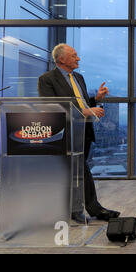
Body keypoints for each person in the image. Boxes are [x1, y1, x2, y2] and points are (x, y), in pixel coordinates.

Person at [38, 43, 120, 223]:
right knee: (81, 171)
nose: (78, 58)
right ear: (61, 59)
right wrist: (85, 112)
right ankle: (93, 209)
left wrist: (95, 99)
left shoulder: (79, 78)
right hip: (64, 133)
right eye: (74, 55)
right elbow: (52, 107)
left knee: (77, 172)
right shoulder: (47, 79)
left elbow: (80, 103)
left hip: (83, 132)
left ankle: (74, 209)